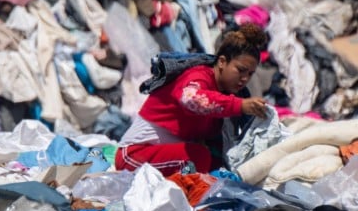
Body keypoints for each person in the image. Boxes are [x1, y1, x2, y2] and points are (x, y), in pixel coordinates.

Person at [116, 24, 270, 175]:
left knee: (210, 166)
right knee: (197, 158)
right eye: (241, 70)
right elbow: (190, 99)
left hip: (165, 159)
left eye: (250, 74)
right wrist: (240, 105)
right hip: (132, 157)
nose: (244, 79)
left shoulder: (223, 96)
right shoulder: (198, 76)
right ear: (222, 62)